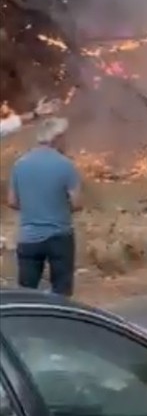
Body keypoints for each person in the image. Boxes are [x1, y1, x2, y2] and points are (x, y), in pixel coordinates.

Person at [7, 116, 82, 297]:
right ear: (57, 138)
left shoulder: (20, 164)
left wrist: (33, 208)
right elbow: (77, 203)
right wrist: (58, 208)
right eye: (64, 137)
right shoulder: (66, 165)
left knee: (26, 293)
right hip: (59, 237)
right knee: (62, 292)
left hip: (29, 238)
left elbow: (12, 201)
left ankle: (27, 323)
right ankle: (58, 323)